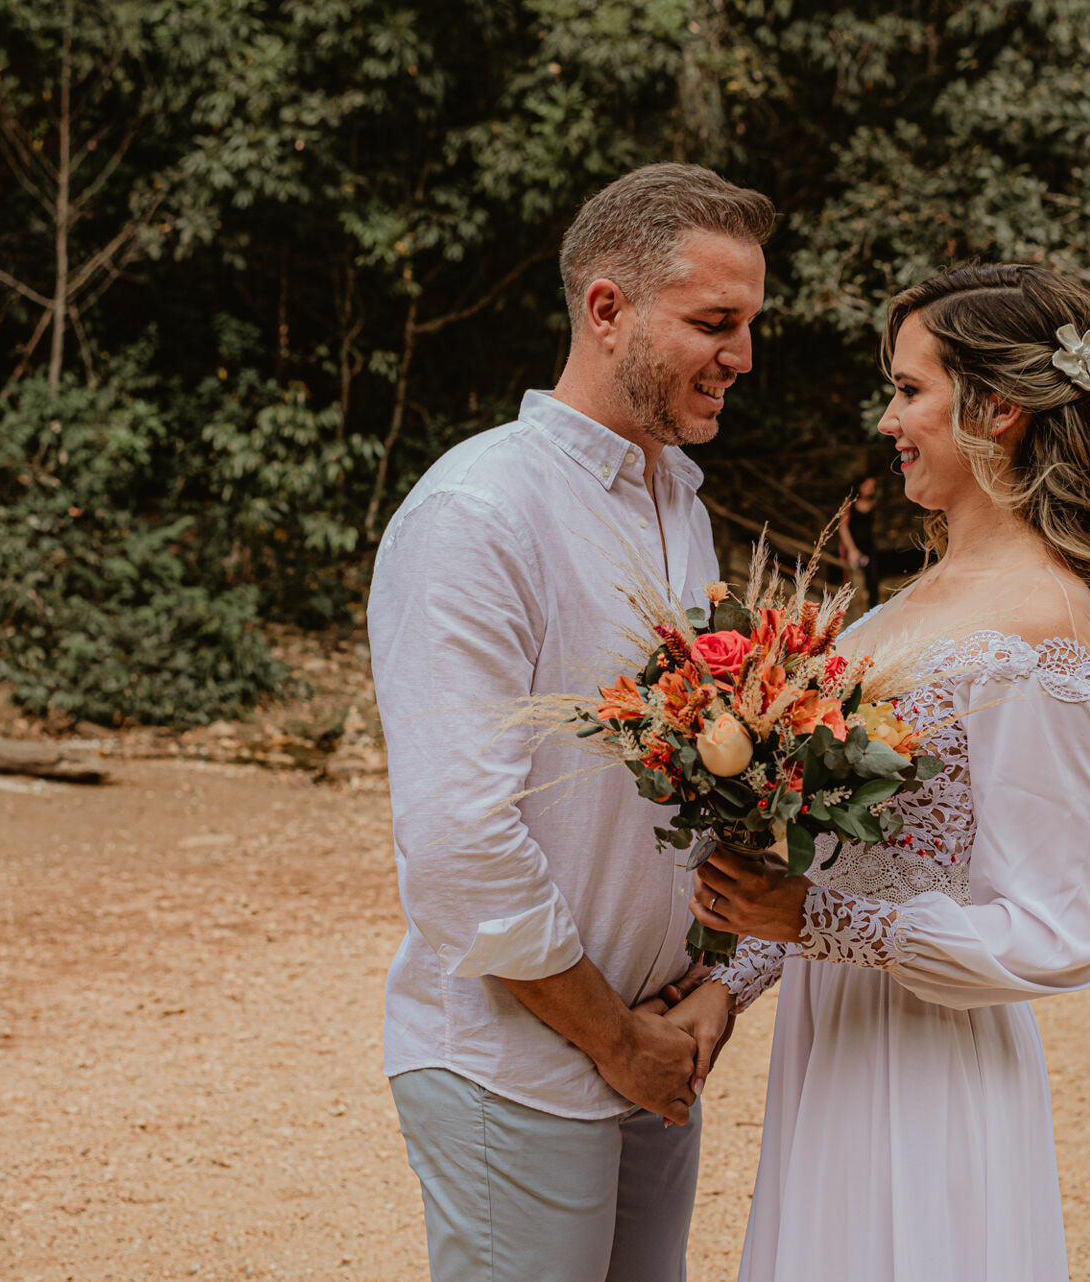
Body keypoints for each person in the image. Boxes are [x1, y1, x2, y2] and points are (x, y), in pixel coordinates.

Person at [662, 265, 1090, 1280]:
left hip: (932, 1055)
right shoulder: (902, 609)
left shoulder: (1043, 620)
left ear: (1000, 407)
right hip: (835, 1036)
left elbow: (1061, 930)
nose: (888, 420)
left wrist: (819, 922)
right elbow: (844, 860)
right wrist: (733, 980)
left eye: (909, 388)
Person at [367, 163, 772, 1282]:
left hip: (658, 1043)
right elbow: (459, 843)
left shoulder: (678, 505)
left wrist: (710, 993)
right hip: (522, 1062)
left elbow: (692, 787)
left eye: (750, 324)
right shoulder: (478, 513)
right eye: (715, 323)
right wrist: (615, 1038)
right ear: (606, 309)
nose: (744, 355)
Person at [837, 474, 881, 606]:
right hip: (853, 545)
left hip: (869, 545)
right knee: (856, 581)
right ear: (860, 486)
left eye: (873, 486)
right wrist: (851, 549)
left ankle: (873, 608)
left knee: (873, 580)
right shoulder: (850, 503)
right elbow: (843, 527)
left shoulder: (873, 503)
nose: (871, 489)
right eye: (867, 486)